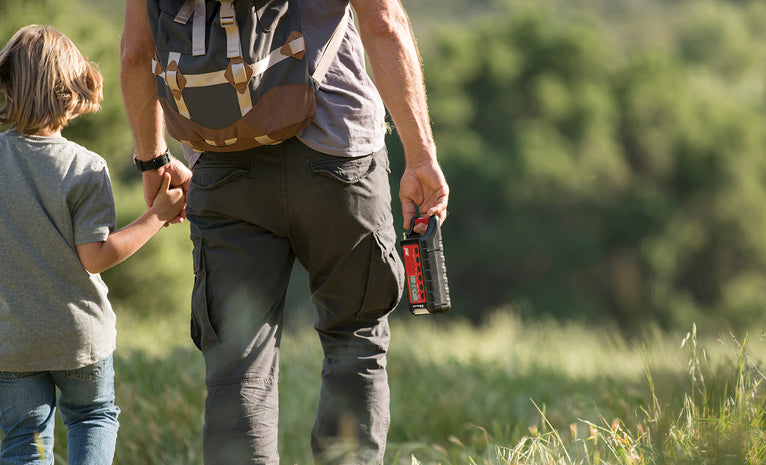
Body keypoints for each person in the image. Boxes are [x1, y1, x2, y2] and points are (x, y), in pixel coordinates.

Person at [120, 0, 449, 463]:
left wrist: (152, 159)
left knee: (237, 367)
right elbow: (384, 24)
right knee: (355, 343)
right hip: (338, 155)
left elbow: (137, 52)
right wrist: (421, 158)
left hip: (223, 166)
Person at [0, 24, 186, 465]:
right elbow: (96, 257)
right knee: (92, 417)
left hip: (12, 340)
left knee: (23, 440)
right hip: (80, 336)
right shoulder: (86, 167)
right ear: (71, 90)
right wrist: (156, 215)